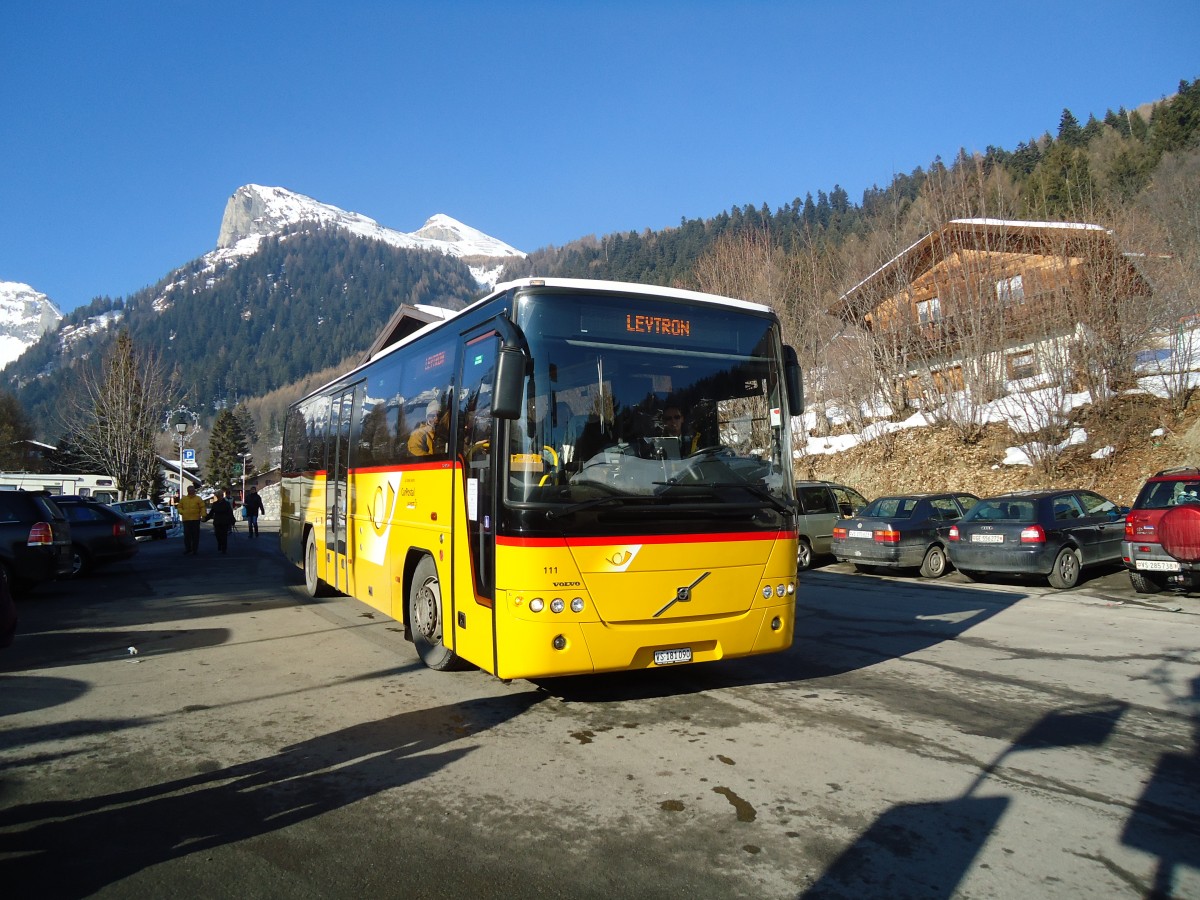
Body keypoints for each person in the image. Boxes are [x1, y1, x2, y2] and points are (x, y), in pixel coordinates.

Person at [204, 489, 236, 554]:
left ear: (222, 496)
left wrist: (232, 520)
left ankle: (224, 548)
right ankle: (220, 544)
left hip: (225, 521)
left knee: (224, 535)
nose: (219, 497)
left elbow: (230, 512)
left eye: (220, 496)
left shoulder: (226, 504)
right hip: (217, 521)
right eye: (218, 496)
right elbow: (211, 513)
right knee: (217, 535)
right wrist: (205, 519)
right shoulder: (215, 504)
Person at [178, 484, 207, 555]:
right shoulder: (183, 499)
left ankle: (195, 549)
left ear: (194, 491)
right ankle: (188, 549)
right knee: (187, 536)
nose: (191, 491)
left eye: (192, 490)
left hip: (195, 519)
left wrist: (203, 516)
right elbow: (179, 507)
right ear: (188, 491)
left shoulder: (198, 498)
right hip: (186, 520)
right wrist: (182, 512)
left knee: (195, 535)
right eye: (189, 490)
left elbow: (203, 507)